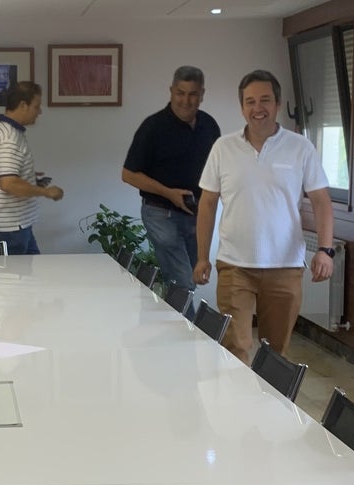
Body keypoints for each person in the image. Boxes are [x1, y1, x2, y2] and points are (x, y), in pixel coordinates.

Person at [193, 69, 334, 364]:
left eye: (265, 100)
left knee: (275, 354)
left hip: (284, 267)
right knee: (236, 349)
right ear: (242, 107)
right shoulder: (223, 148)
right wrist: (203, 256)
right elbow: (207, 204)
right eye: (250, 101)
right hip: (234, 266)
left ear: (278, 104)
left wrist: (325, 250)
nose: (258, 109)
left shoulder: (301, 148)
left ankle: (272, 409)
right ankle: (238, 408)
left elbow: (321, 201)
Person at [122, 66, 221, 291]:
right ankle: (192, 327)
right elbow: (128, 174)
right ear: (171, 91)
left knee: (192, 279)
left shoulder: (209, 125)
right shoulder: (153, 126)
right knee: (183, 282)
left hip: (196, 214)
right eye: (180, 93)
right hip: (160, 213)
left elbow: (218, 171)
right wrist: (169, 193)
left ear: (202, 94)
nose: (185, 100)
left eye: (192, 94)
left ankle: (174, 323)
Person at [0, 81, 64, 255]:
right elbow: (8, 184)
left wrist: (25, 175)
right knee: (16, 281)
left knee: (30, 274)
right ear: (23, 105)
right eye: (36, 106)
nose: (39, 112)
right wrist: (47, 192)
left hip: (10, 224)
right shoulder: (9, 138)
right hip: (10, 229)